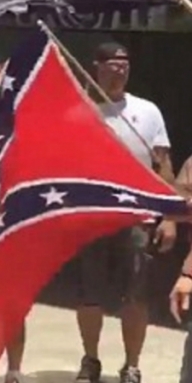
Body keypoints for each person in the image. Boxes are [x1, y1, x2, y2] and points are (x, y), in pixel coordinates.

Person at [73, 42, 176, 383]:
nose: (119, 70)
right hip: (92, 216)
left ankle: (131, 365)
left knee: (136, 294)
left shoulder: (147, 111)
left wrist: (171, 217)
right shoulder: (79, 111)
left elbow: (164, 167)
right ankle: (91, 360)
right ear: (97, 66)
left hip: (137, 216)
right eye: (113, 64)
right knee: (89, 296)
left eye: (125, 64)